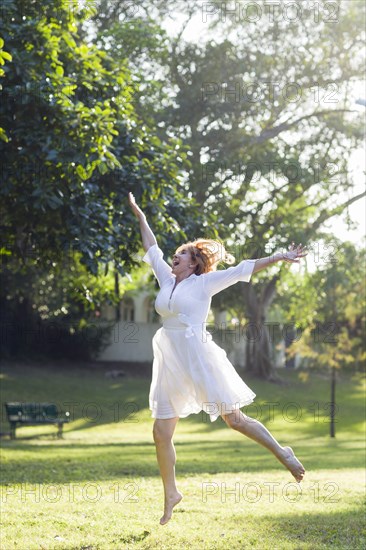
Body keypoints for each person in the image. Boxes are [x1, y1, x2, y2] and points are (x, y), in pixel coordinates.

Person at [128, 192, 306, 525]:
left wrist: (280, 257)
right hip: (169, 359)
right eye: (176, 254)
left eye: (181, 255)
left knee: (234, 420)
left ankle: (283, 452)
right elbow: (151, 247)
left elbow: (243, 268)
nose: (175, 257)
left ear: (193, 263)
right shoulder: (166, 280)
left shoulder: (205, 283)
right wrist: (139, 213)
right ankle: (171, 494)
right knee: (161, 432)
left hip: (197, 356)